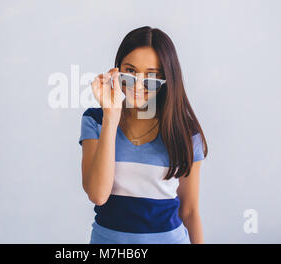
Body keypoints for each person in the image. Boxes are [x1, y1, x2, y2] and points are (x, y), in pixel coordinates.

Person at [79, 26, 208, 244]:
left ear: (167, 79)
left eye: (151, 76)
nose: (138, 85)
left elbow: (189, 210)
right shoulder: (95, 121)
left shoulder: (185, 133)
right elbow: (98, 195)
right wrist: (111, 117)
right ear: (116, 70)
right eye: (130, 72)